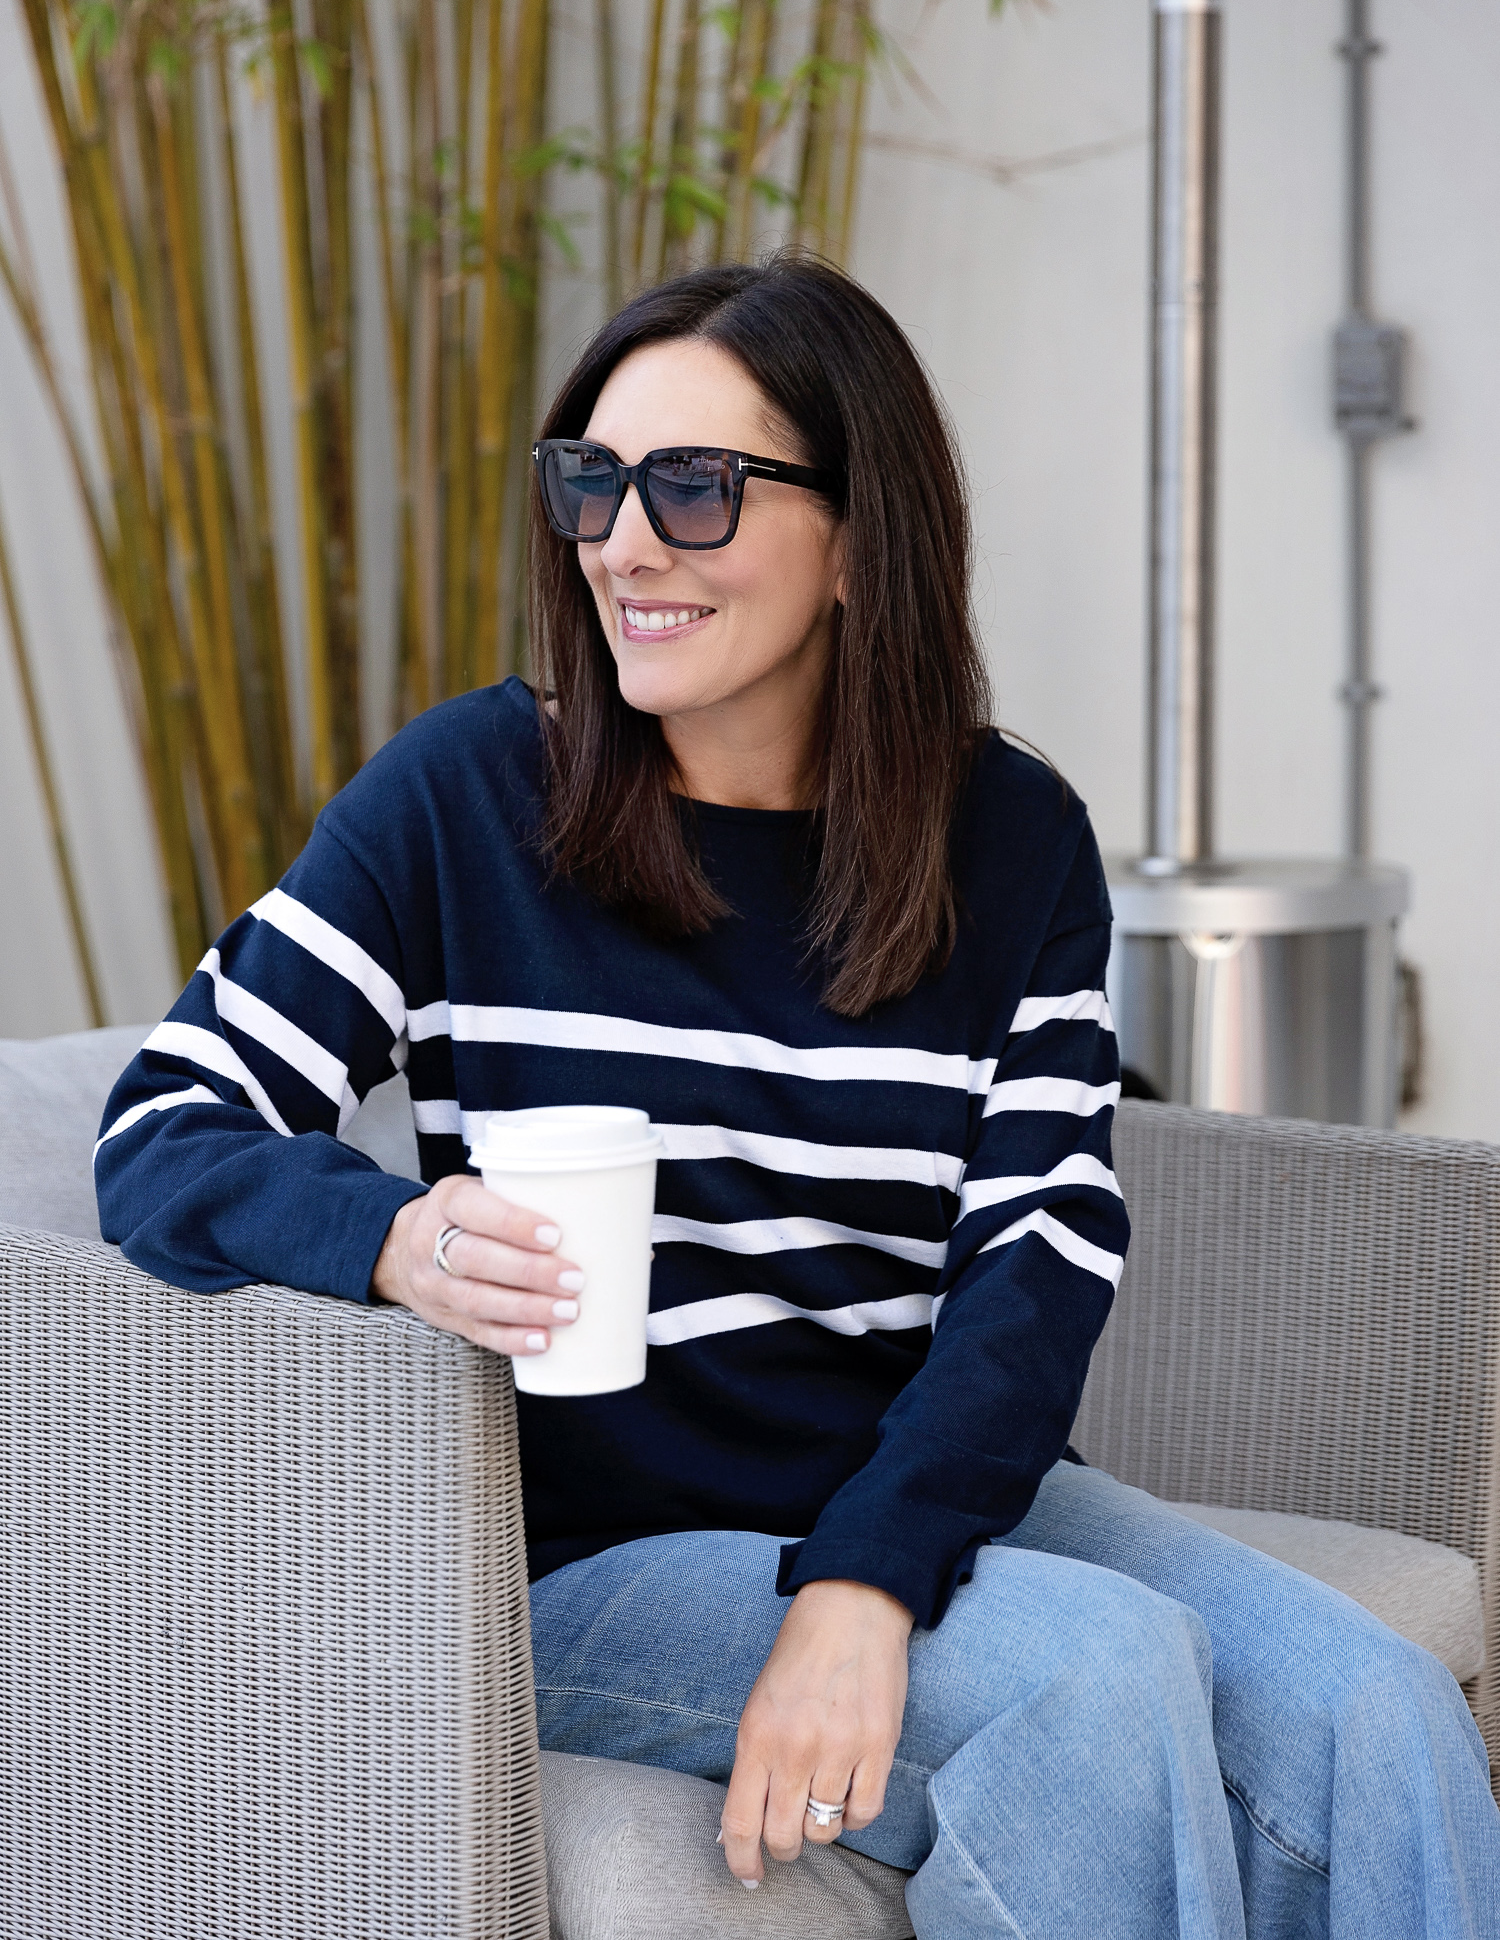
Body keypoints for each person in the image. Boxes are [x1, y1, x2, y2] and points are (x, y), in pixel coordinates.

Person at [97, 256, 1499, 1938]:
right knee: (1097, 1680)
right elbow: (165, 1126)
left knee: (1384, 1712)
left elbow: (1039, 1258)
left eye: (695, 488)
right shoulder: (470, 800)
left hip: (915, 1482)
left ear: (856, 540)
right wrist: (394, 1232)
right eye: (591, 483)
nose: (625, 541)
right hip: (582, 1547)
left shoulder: (1011, 841)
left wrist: (865, 1575)